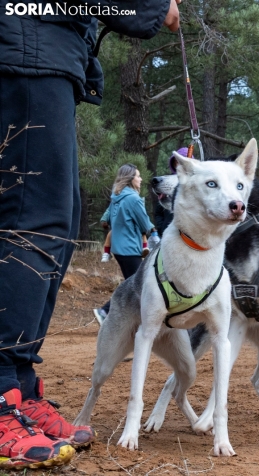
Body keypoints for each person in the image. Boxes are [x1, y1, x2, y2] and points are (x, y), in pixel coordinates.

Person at [0, 1, 179, 468]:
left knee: (53, 227)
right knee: (29, 225)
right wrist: (152, 8)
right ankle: (0, 392)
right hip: (25, 45)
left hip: (43, 53)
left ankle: (17, 386)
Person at [93, 165, 156, 324]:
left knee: (133, 283)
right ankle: (105, 311)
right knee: (137, 284)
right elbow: (144, 223)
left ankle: (121, 316)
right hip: (129, 248)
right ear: (130, 179)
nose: (141, 179)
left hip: (119, 247)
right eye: (138, 176)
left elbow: (106, 218)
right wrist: (154, 233)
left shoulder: (117, 196)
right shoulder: (133, 199)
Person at [154, 147, 188, 237]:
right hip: (167, 233)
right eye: (175, 163)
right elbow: (158, 211)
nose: (178, 166)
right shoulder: (166, 183)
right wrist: (162, 227)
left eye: (181, 163)